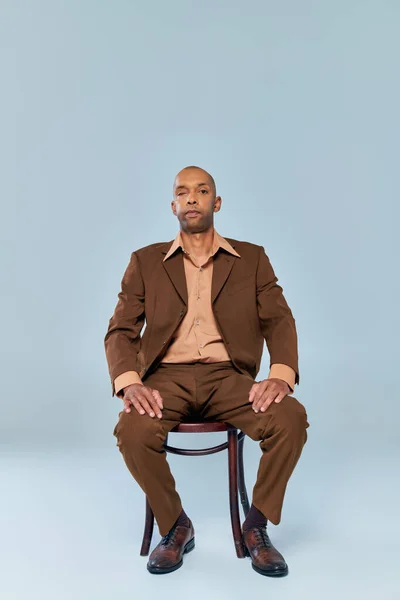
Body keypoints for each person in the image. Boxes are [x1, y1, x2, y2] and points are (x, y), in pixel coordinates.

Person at [104, 165, 309, 576]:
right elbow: (121, 330)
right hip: (165, 381)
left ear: (216, 203)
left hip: (229, 379)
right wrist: (129, 384)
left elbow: (279, 320)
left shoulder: (251, 258)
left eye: (202, 191)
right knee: (131, 431)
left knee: (291, 418)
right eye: (183, 191)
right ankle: (176, 525)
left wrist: (280, 374)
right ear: (173, 205)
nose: (192, 198)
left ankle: (256, 526)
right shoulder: (145, 261)